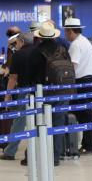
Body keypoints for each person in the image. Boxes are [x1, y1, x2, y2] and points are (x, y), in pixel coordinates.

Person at [29, 22, 70, 166]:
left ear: (40, 37)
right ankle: (55, 157)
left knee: (41, 125)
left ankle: (42, 156)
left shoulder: (35, 51)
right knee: (58, 125)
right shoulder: (62, 48)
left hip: (43, 93)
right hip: (62, 91)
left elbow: (32, 75)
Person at [0, 32, 35, 161]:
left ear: (22, 42)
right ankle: (34, 151)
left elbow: (13, 77)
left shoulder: (18, 55)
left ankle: (10, 151)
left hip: (24, 91)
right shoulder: (38, 52)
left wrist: (7, 95)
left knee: (19, 122)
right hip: (40, 91)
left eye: (17, 42)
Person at [64, 18, 92, 155]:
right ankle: (87, 144)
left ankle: (87, 145)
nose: (65, 34)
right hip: (89, 81)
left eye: (66, 31)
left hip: (81, 83)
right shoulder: (85, 41)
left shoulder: (76, 45)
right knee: (86, 115)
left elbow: (72, 66)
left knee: (83, 115)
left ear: (70, 31)